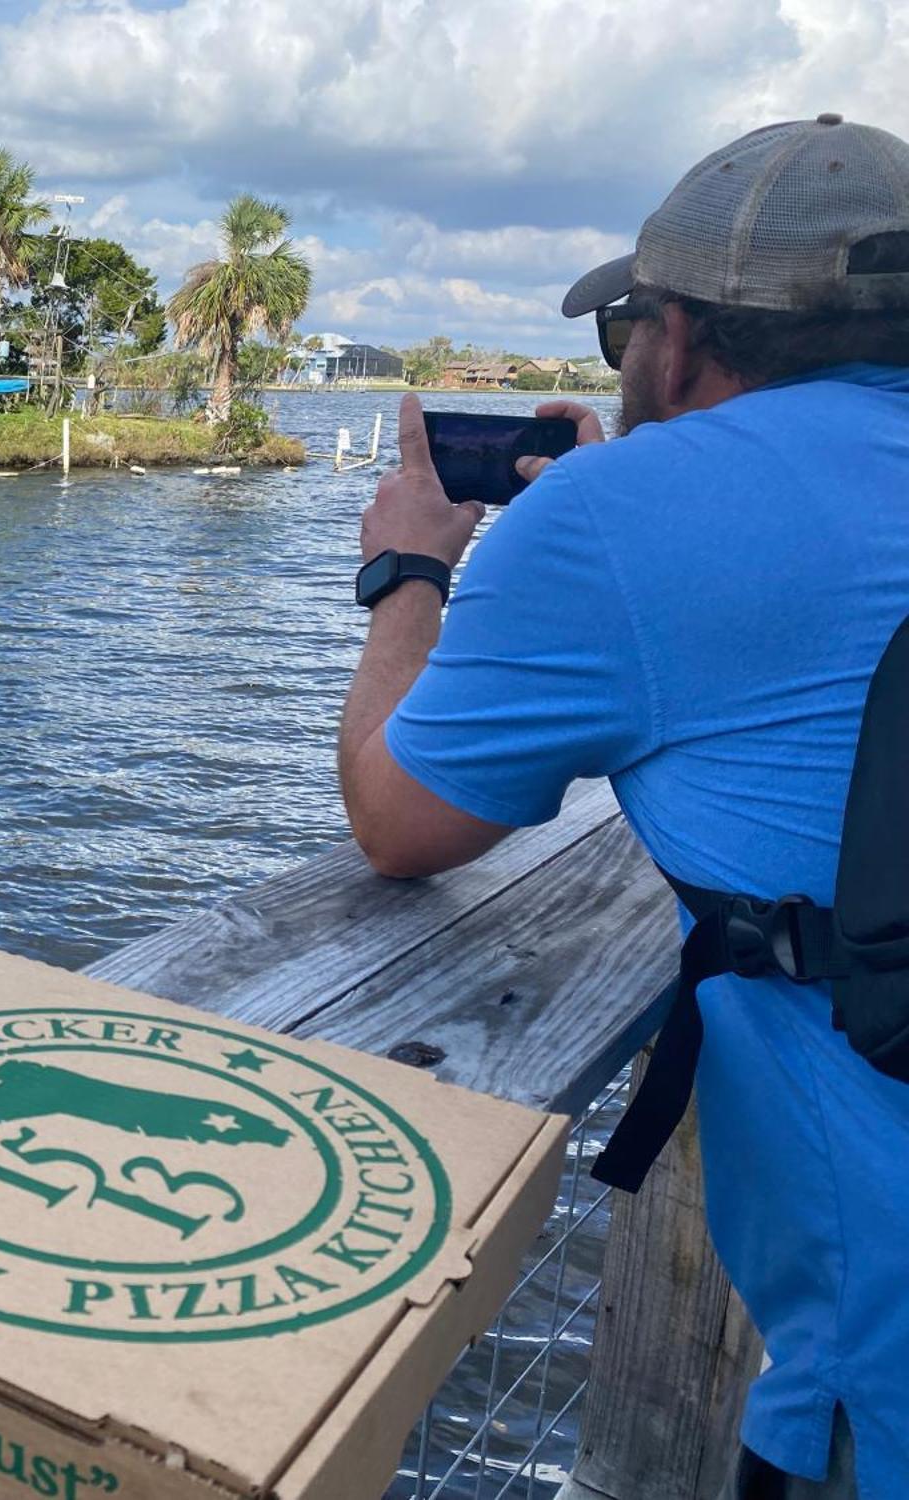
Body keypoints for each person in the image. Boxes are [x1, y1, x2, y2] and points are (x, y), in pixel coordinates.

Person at [336, 115, 909, 1500]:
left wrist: (412, 573)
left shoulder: (612, 511)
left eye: (627, 328)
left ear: (682, 338)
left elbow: (400, 821)